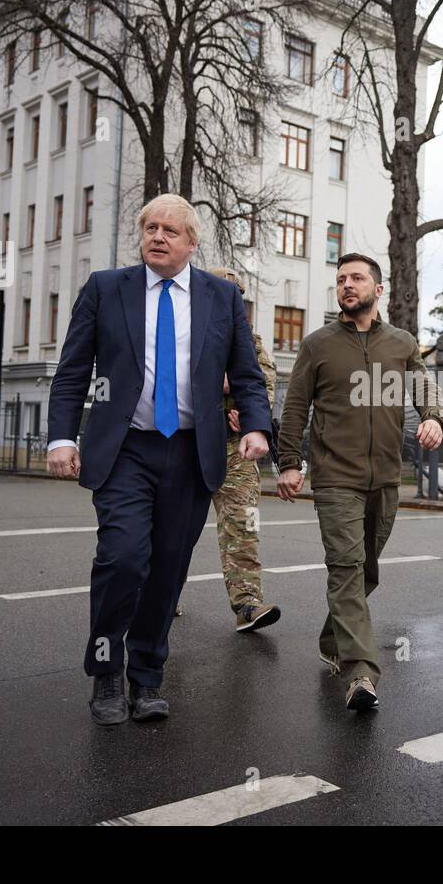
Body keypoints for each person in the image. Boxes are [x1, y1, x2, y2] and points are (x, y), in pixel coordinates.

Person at [46, 194, 271, 727]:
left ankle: (146, 678)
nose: (158, 236)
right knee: (123, 558)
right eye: (150, 227)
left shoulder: (222, 297)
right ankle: (106, 669)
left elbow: (246, 375)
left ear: (192, 243)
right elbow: (73, 369)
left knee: (168, 570)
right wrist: (61, 438)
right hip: (126, 449)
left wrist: (258, 425)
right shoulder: (106, 288)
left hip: (192, 453)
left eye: (171, 229)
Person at [277, 252, 443, 711]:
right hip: (335, 478)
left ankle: (333, 639)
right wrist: (290, 462)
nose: (347, 285)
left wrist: (433, 418)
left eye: (357, 278)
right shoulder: (318, 346)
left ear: (378, 289)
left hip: (386, 478)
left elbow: (425, 388)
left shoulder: (402, 343)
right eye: (341, 279)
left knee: (366, 568)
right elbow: (295, 408)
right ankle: (360, 671)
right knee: (346, 566)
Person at [174, 265, 280, 632]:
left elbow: (263, 383)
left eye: (236, 294)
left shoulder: (250, 341)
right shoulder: (180, 333)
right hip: (187, 445)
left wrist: (251, 419)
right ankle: (162, 595)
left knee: (243, 527)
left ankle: (247, 604)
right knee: (175, 528)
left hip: (235, 450)